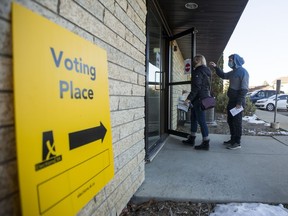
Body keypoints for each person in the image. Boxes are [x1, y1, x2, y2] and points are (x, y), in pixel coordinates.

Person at [209, 54, 249, 150]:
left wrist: (239, 102)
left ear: (236, 61)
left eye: (230, 60)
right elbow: (223, 75)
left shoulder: (243, 72)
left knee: (237, 122)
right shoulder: (233, 72)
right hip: (232, 101)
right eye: (229, 60)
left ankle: (237, 142)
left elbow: (244, 89)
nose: (229, 62)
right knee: (230, 121)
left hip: (238, 102)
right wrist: (216, 67)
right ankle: (232, 139)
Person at [182, 54, 212, 150]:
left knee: (201, 121)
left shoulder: (199, 71)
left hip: (199, 99)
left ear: (199, 60)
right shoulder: (205, 71)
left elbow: (197, 87)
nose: (193, 61)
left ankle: (206, 142)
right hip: (200, 99)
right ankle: (192, 138)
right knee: (194, 119)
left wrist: (188, 98)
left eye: (195, 59)